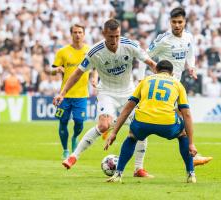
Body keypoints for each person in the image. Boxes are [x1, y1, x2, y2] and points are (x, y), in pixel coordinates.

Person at [54, 19, 157, 177]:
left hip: (129, 93)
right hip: (107, 92)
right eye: (110, 37)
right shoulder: (95, 52)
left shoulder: (130, 45)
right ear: (104, 34)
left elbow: (151, 63)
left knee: (140, 128)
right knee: (103, 125)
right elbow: (77, 73)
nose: (114, 40)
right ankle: (73, 156)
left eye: (117, 36)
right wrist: (62, 93)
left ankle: (138, 168)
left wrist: (166, 77)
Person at [104, 60, 197, 183]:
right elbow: (187, 114)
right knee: (182, 134)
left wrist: (114, 132)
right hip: (167, 124)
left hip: (143, 122)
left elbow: (128, 108)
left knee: (132, 136)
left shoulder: (145, 81)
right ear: (172, 73)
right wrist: (191, 143)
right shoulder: (177, 84)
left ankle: (118, 174)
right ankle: (190, 174)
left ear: (155, 70)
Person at [146, 7, 212, 166]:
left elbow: (190, 52)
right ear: (170, 22)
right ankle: (192, 154)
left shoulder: (188, 37)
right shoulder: (163, 40)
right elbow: (145, 55)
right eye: (174, 22)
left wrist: (191, 67)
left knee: (182, 119)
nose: (177, 25)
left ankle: (191, 155)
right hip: (164, 86)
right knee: (182, 118)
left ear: (185, 22)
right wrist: (155, 70)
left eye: (180, 22)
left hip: (176, 85)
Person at [51, 24, 91, 159]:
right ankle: (65, 150)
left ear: (84, 34)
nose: (78, 35)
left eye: (80, 32)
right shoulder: (62, 51)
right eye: (75, 32)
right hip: (65, 95)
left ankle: (75, 137)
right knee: (63, 122)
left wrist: (95, 79)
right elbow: (51, 70)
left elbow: (96, 68)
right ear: (71, 34)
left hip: (81, 95)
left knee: (79, 122)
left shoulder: (89, 51)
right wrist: (56, 70)